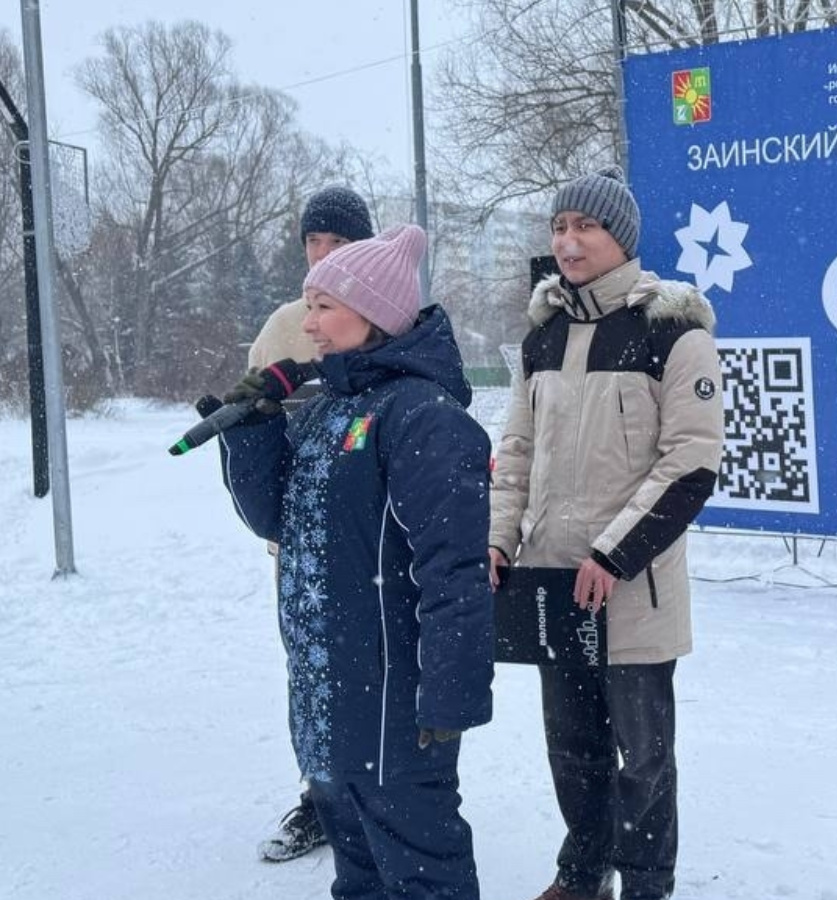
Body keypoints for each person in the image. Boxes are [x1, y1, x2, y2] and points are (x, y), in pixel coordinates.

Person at [219, 224, 495, 899]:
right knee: (360, 875)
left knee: (423, 873)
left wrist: (450, 693)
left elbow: (454, 571)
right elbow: (276, 520)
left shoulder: (425, 417)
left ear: (373, 314)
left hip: (396, 701)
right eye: (308, 305)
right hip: (329, 694)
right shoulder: (328, 410)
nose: (307, 323)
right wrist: (254, 427)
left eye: (323, 306)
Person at [487, 167, 724, 900]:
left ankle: (647, 885)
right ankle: (583, 872)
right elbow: (517, 451)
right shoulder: (543, 335)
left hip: (633, 590)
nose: (568, 240)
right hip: (553, 584)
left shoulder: (672, 330)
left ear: (621, 236)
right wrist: (497, 539)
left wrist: (614, 554)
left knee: (643, 758)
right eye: (559, 226)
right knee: (573, 749)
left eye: (584, 226)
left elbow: (690, 464)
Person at [249, 184, 376, 864]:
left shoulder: (384, 319)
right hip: (299, 545)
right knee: (309, 671)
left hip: (370, 547)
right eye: (313, 242)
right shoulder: (281, 328)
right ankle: (319, 797)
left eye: (339, 241)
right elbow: (258, 436)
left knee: (375, 669)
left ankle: (381, 796)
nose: (323, 254)